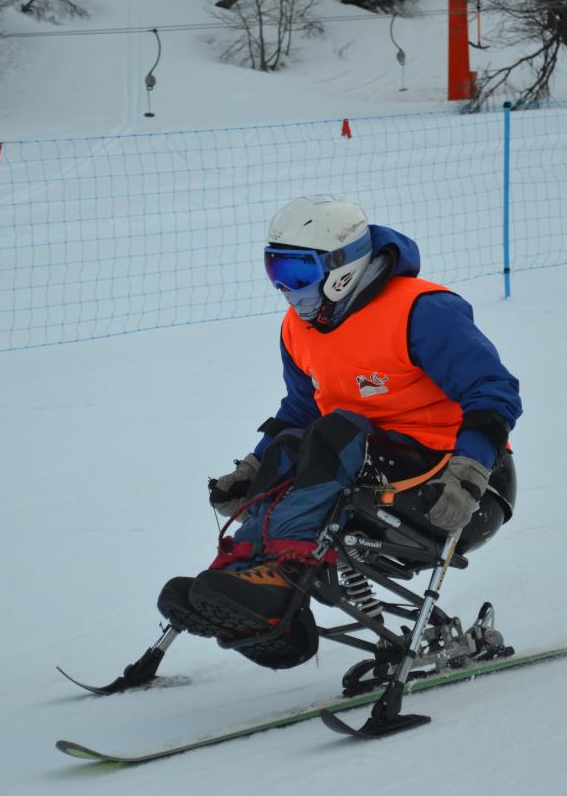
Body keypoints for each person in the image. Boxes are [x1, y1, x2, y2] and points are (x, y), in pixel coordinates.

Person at [158, 196, 522, 669]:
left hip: (456, 487)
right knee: (298, 442)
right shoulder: (298, 329)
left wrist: (470, 472)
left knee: (334, 432)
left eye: (297, 272)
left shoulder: (422, 311)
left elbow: (493, 390)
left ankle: (284, 572)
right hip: (361, 475)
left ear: (341, 267)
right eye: (276, 271)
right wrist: (252, 469)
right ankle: (250, 583)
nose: (287, 289)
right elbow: (298, 410)